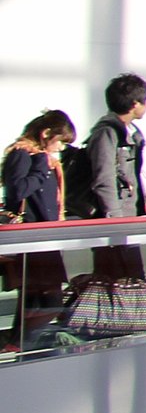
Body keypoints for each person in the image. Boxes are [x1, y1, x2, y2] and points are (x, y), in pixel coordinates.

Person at [3, 110, 76, 341]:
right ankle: (20, 343)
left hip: (44, 238)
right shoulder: (24, 154)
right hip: (31, 239)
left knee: (38, 299)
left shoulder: (43, 159)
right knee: (45, 299)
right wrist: (40, 168)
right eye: (60, 141)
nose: (61, 148)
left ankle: (20, 343)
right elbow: (17, 191)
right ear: (46, 134)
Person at [75, 74, 146, 286]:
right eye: (145, 101)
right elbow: (104, 178)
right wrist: (114, 219)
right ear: (135, 104)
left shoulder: (127, 133)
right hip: (115, 222)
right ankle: (115, 319)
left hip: (125, 220)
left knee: (129, 280)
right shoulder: (107, 133)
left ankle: (130, 318)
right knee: (116, 281)